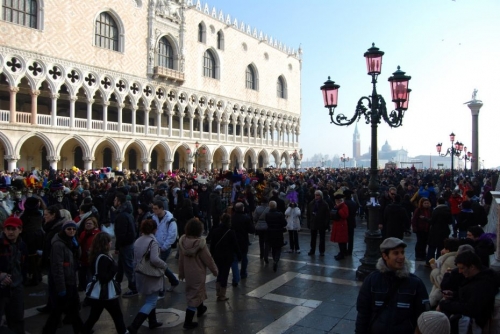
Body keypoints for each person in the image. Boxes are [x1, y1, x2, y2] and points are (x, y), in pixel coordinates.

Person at [355, 237, 430, 334]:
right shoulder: (371, 281)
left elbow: (423, 317)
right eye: (396, 253)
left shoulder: (416, 283)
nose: (401, 257)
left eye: (402, 252)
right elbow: (363, 314)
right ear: (385, 256)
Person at [438, 251, 499, 333]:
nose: (459, 271)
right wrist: (453, 295)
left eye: (462, 268)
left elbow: (470, 308)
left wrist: (444, 305)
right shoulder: (478, 277)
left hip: (471, 324)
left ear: (472, 267)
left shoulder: (483, 284)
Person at [42, 220, 84, 334]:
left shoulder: (71, 241)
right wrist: (61, 288)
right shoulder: (58, 244)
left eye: (74, 229)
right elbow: (57, 267)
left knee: (72, 309)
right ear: (64, 230)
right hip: (64, 282)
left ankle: (80, 329)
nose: (72, 231)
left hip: (70, 280)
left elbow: (77, 257)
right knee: (58, 311)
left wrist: (77, 246)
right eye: (69, 229)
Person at [82, 232, 127, 334]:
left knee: (94, 315)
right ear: (105, 244)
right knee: (117, 315)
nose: (111, 244)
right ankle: (123, 331)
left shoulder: (96, 255)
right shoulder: (103, 258)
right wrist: (114, 269)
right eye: (110, 242)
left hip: (98, 293)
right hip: (106, 292)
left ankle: (85, 330)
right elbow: (104, 278)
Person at [127, 219, 167, 334]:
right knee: (151, 301)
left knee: (149, 298)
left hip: (141, 273)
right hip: (151, 274)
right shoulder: (152, 242)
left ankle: (152, 321)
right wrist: (164, 264)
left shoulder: (138, 240)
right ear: (154, 229)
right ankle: (134, 326)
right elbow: (154, 259)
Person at [178, 218, 219, 329]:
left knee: (196, 291)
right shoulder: (200, 244)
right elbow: (208, 259)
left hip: (188, 273)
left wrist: (181, 272)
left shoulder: (183, 241)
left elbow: (181, 259)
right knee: (194, 295)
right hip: (198, 273)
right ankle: (188, 322)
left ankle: (201, 309)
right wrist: (215, 271)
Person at [0, 217, 27, 333]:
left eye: (13, 229)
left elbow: (23, 264)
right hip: (1, 289)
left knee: (17, 319)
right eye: (8, 229)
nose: (10, 232)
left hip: (16, 287)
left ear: (20, 230)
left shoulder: (22, 244)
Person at [209, 213, 240, 301]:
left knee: (219, 273)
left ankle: (218, 291)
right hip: (227, 256)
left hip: (217, 256)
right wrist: (239, 255)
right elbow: (235, 245)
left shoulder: (215, 231)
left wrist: (211, 255)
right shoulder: (230, 232)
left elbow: (212, 245)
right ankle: (222, 294)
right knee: (225, 275)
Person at [152, 199, 179, 297]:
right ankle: (174, 281)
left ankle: (161, 290)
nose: (154, 211)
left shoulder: (170, 220)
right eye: (153, 208)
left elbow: (172, 235)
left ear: (161, 209)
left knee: (158, 267)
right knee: (162, 266)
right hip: (156, 246)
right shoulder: (153, 217)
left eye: (156, 209)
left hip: (164, 247)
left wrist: (164, 247)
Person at [113, 192, 138, 297]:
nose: (114, 201)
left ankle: (134, 288)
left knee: (128, 267)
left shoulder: (122, 215)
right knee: (121, 266)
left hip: (125, 244)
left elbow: (121, 234)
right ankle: (117, 285)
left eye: (115, 200)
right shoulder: (126, 213)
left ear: (119, 202)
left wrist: (117, 246)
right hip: (127, 243)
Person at [428, 238, 460, 308]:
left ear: (448, 250)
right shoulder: (452, 258)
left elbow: (441, 282)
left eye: (444, 248)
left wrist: (435, 269)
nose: (442, 251)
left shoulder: (449, 260)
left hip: (439, 297)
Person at [230, 202, 255, 286]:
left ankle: (235, 279)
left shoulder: (232, 218)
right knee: (244, 257)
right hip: (243, 241)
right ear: (242, 208)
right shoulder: (246, 218)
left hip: (233, 241)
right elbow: (251, 230)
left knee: (234, 260)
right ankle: (243, 273)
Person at [426, 197, 453, 265]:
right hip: (444, 231)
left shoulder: (436, 210)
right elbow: (450, 221)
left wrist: (425, 219)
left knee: (432, 247)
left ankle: (429, 262)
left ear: (437, 202)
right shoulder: (448, 210)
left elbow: (432, 221)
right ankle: (438, 262)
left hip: (435, 231)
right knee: (440, 247)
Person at [77, 216, 100, 292]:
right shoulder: (83, 233)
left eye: (90, 223)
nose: (88, 225)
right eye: (86, 223)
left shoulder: (98, 234)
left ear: (94, 225)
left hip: (92, 260)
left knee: (90, 278)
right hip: (83, 259)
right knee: (82, 276)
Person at [265, 201, 287, 272]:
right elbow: (284, 223)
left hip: (270, 232)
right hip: (278, 232)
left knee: (273, 246)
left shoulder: (267, 214)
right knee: (278, 248)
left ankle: (274, 259)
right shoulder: (279, 214)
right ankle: (276, 260)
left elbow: (267, 222)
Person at [307, 190, 330, 256]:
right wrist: (309, 222)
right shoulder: (311, 203)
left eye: (318, 195)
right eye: (315, 195)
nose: (316, 196)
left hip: (321, 223)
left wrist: (326, 224)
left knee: (322, 238)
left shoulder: (324, 204)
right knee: (313, 238)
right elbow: (308, 214)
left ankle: (321, 251)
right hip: (313, 222)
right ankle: (312, 250)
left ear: (321, 196)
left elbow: (327, 215)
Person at [330, 193, 349, 260]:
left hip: (341, 225)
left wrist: (339, 210)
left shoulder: (344, 206)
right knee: (339, 240)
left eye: (338, 200)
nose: (337, 202)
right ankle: (341, 252)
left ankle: (342, 253)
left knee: (342, 240)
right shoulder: (337, 206)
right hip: (337, 224)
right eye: (336, 200)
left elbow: (345, 215)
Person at [253, 197, 270, 261]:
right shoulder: (269, 209)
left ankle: (261, 254)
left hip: (259, 226)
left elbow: (254, 217)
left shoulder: (257, 208)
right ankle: (266, 255)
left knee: (261, 241)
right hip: (266, 227)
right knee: (267, 242)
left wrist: (258, 221)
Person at [343, 189, 359, 256]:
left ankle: (344, 250)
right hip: (352, 221)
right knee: (351, 237)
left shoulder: (344, 203)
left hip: (345, 221)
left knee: (344, 236)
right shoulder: (353, 203)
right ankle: (350, 251)